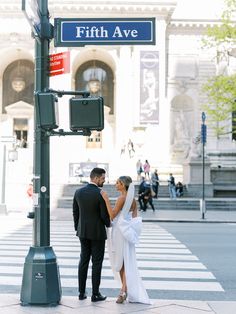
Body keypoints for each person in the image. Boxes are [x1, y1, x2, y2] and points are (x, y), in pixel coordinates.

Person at [101, 176, 151, 304]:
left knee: (121, 261)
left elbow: (112, 216)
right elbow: (134, 218)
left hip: (119, 231)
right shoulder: (133, 201)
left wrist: (106, 200)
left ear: (123, 185)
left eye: (117, 183)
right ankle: (124, 289)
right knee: (126, 260)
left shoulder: (121, 198)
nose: (115, 185)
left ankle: (123, 290)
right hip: (128, 232)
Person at [72, 167, 111, 302]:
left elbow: (75, 213)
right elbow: (104, 215)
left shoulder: (78, 192)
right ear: (95, 178)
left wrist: (78, 228)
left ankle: (81, 293)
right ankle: (95, 294)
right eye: (102, 179)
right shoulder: (100, 193)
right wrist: (109, 224)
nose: (103, 181)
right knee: (97, 263)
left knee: (83, 261)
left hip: (82, 232)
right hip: (97, 233)